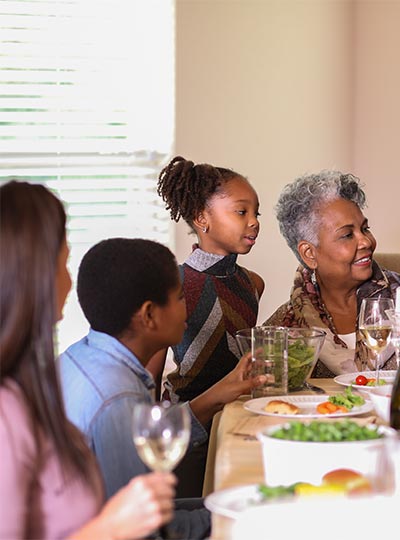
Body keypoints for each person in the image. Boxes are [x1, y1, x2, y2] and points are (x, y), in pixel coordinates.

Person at [0, 181, 175, 539]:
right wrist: (109, 528)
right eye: (63, 263)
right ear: (34, 278)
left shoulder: (36, 379)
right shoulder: (8, 412)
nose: (69, 281)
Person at [59, 238, 264, 539]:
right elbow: (143, 530)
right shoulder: (117, 399)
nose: (188, 306)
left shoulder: (80, 357)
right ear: (149, 315)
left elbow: (140, 438)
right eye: (181, 298)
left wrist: (219, 393)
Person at [264, 170, 400, 377]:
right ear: (309, 253)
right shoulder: (283, 327)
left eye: (365, 229)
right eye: (347, 235)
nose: (366, 241)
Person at [147, 155, 265, 404]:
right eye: (241, 212)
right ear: (202, 219)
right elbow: (150, 375)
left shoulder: (253, 284)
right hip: (187, 424)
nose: (254, 222)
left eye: (256, 213)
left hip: (238, 416)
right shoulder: (171, 286)